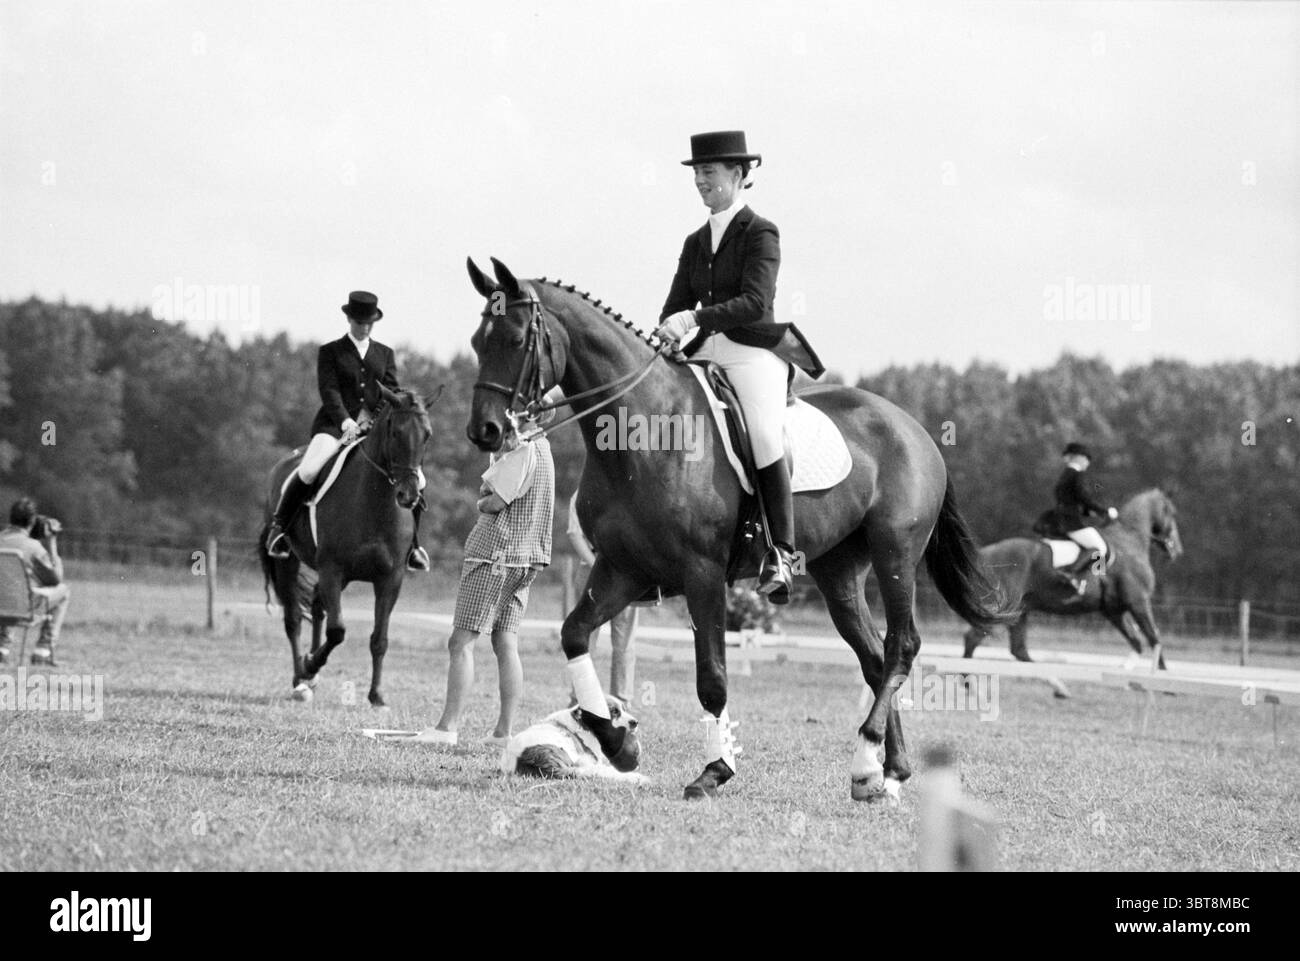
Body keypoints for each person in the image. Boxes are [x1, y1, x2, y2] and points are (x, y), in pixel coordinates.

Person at [654, 130, 823, 604]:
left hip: (752, 350)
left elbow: (754, 302)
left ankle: (783, 553)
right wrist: (666, 331)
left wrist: (694, 318)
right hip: (706, 348)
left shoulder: (760, 232)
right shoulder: (694, 242)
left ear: (739, 175)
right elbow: (675, 305)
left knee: (765, 434)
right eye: (697, 174)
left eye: (709, 172)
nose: (701, 182)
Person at [415, 409, 555, 748]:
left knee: (460, 642)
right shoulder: (545, 450)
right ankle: (503, 732)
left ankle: (447, 728)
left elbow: (493, 501)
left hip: (495, 552)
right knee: (506, 642)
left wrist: (483, 497)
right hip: (527, 557)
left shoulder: (522, 451)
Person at [265, 290, 429, 572]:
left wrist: (385, 415)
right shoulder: (330, 352)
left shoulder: (385, 354)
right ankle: (279, 529)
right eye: (359, 322)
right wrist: (345, 422)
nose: (364, 327)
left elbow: (392, 390)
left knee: (419, 480)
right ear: (350, 320)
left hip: (376, 430)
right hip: (334, 425)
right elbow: (329, 391)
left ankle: (413, 545)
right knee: (308, 470)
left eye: (368, 323)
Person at [566, 490, 638, 705]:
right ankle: (621, 700)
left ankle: (581, 698)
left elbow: (574, 534)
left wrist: (597, 565)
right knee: (623, 639)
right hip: (622, 568)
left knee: (585, 638)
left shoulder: (582, 493)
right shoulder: (628, 493)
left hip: (595, 567)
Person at [0, 497, 70, 666]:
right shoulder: (34, 548)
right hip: (24, 608)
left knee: (6, 587)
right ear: (32, 521)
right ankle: (43, 651)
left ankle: (2, 648)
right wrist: (52, 543)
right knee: (63, 591)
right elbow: (55, 579)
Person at [1051, 442, 1119, 591]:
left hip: (1061, 520)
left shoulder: (1064, 476)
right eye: (1087, 459)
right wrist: (1105, 511)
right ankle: (1089, 579)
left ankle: (1088, 576)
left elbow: (1071, 502)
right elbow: (1084, 498)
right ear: (1080, 458)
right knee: (1099, 547)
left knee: (1093, 544)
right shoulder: (1077, 475)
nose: (1087, 464)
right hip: (1071, 523)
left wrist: (1090, 512)